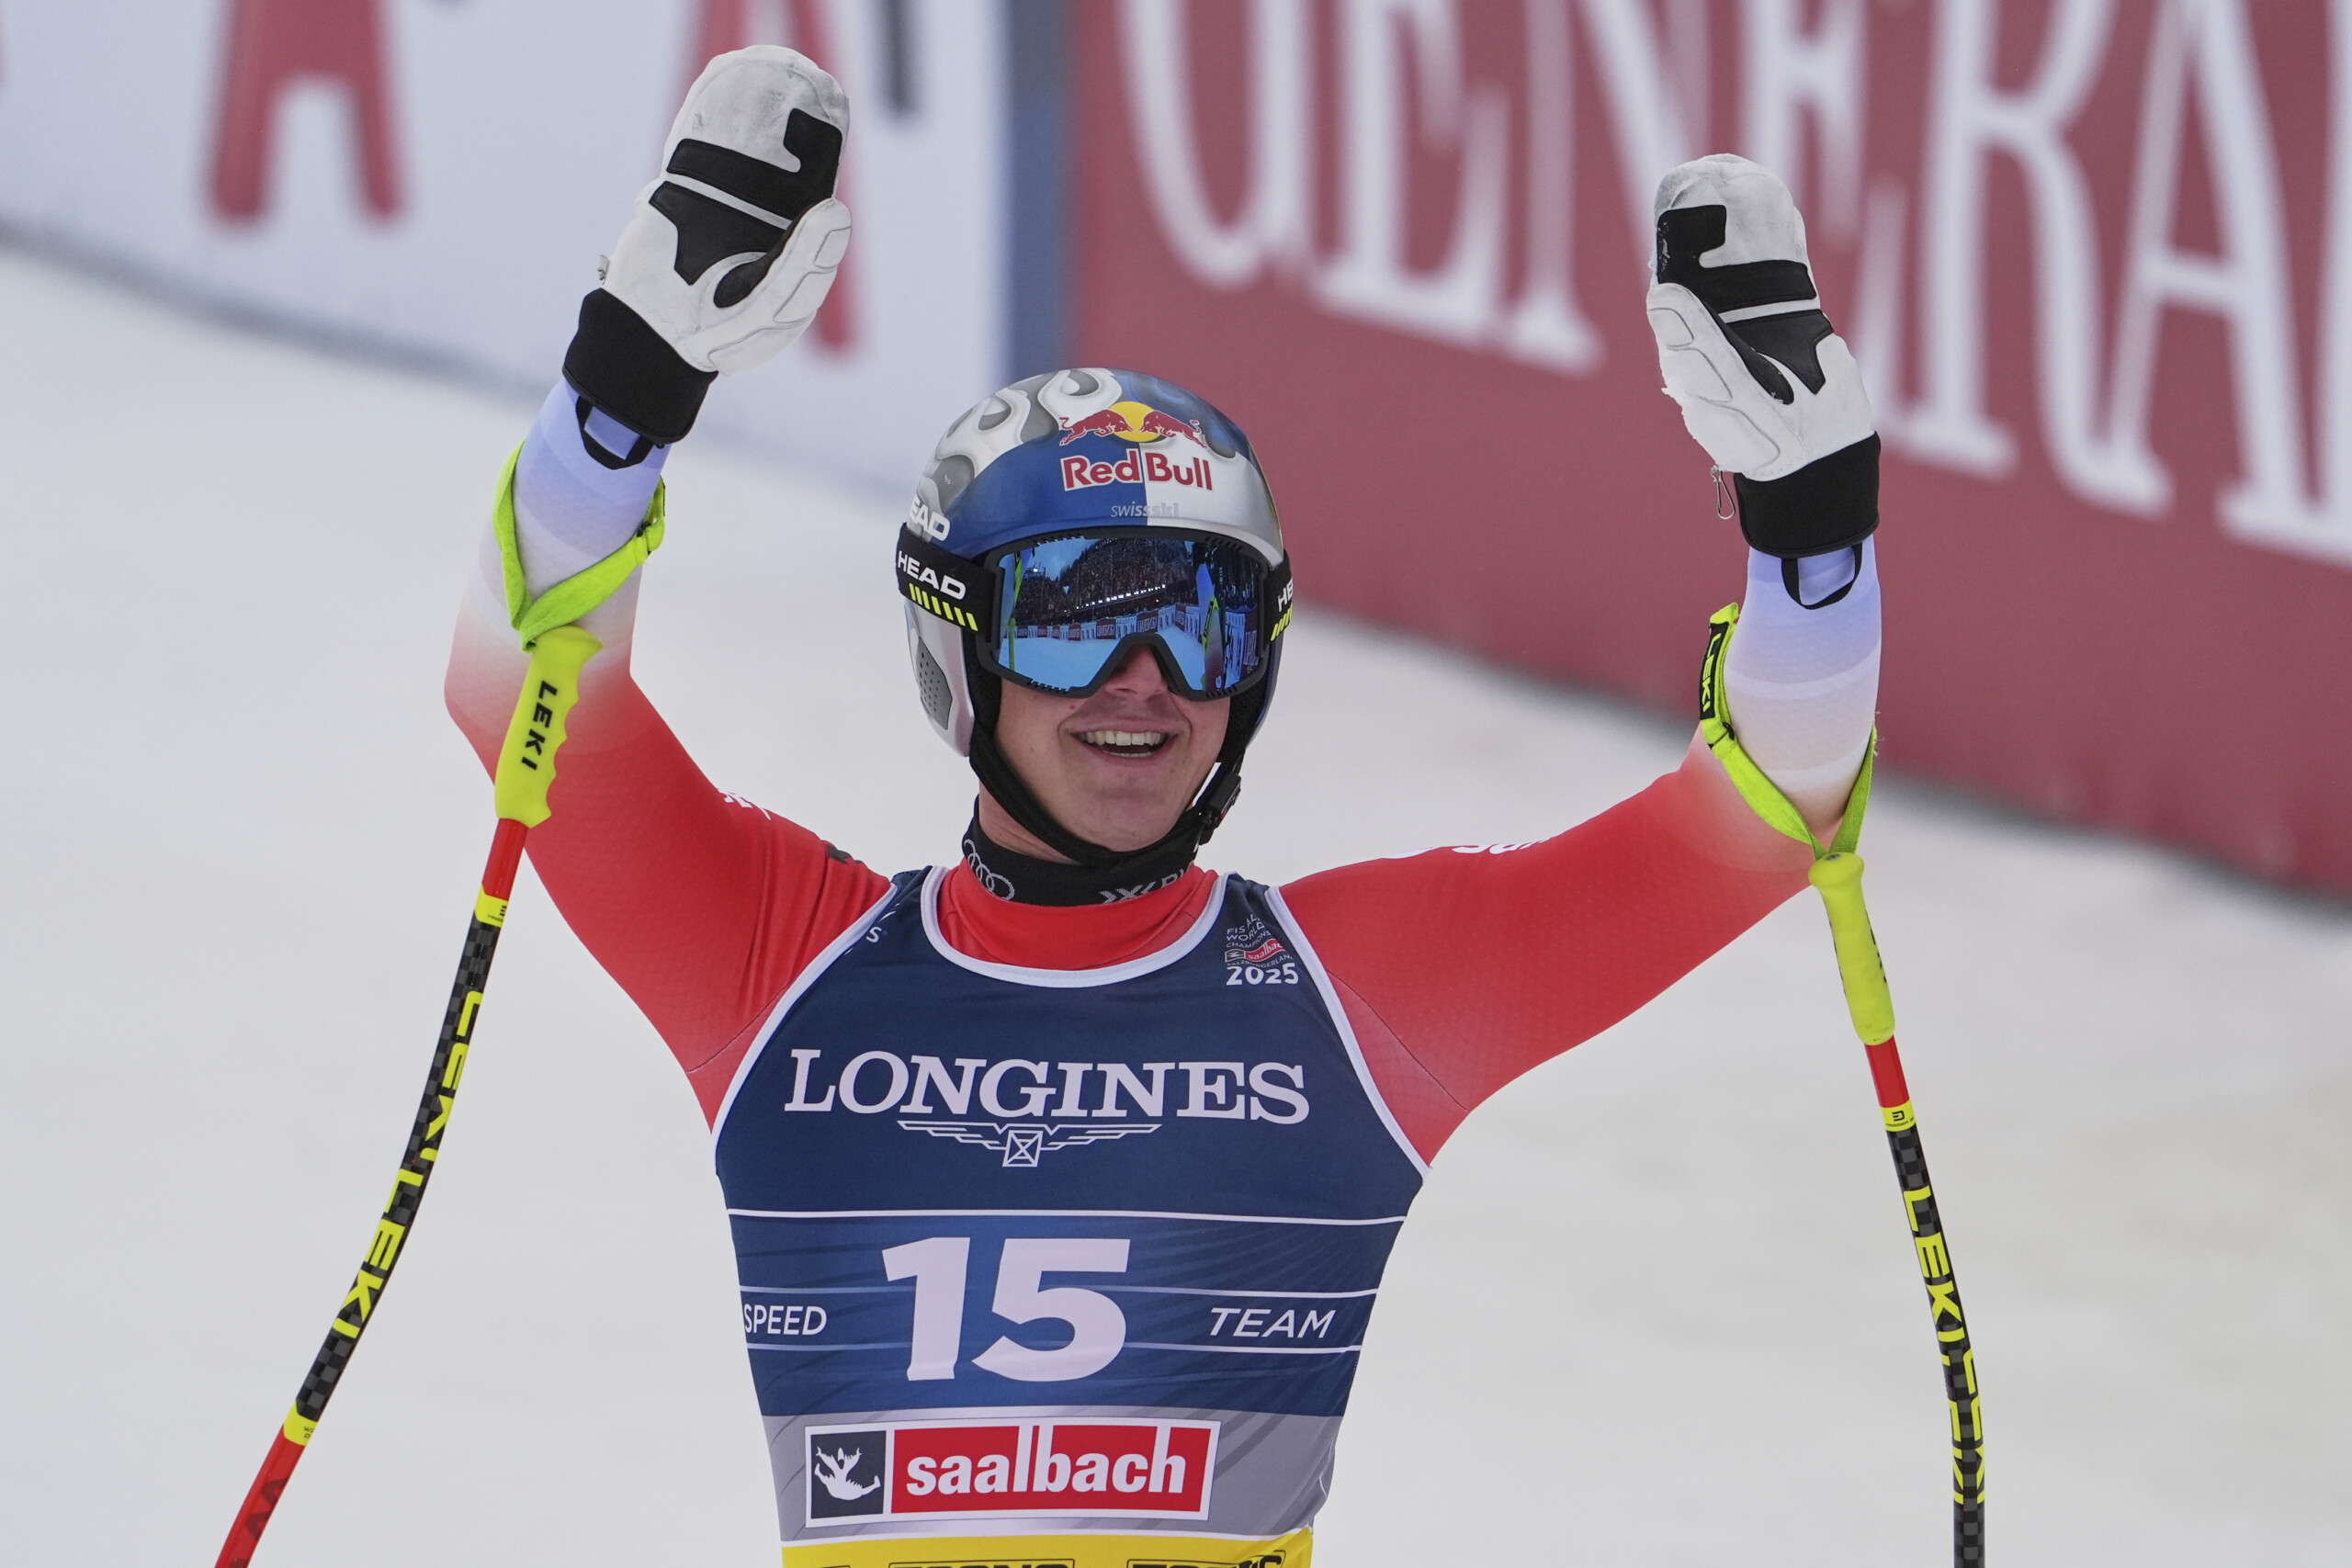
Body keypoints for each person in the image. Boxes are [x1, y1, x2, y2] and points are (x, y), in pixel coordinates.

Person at [444, 47, 1883, 1568]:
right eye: (1075, 617)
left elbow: (1773, 807)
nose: (1144, 686)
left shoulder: (1359, 997)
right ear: (961, 646)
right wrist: (621, 391)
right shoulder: (779, 965)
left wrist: (1817, 534)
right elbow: (520, 695)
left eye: (1200, 624)